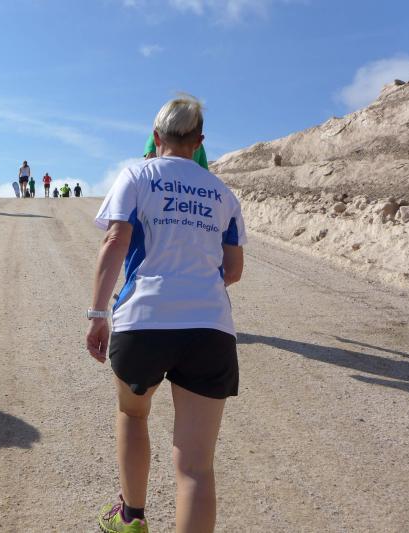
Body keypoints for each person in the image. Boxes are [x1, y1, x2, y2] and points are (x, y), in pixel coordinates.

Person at [87, 95, 245, 533]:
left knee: (134, 414)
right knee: (196, 466)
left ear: (156, 136)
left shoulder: (137, 175)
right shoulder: (223, 193)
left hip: (145, 320)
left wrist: (98, 312)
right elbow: (233, 270)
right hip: (210, 327)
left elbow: (115, 240)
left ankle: (132, 517)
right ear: (199, 141)